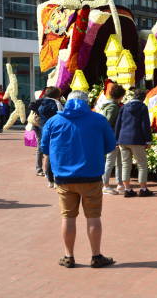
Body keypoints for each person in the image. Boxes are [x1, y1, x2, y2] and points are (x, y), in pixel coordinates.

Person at [40, 90, 116, 269]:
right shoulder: (98, 120)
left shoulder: (54, 121)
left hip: (64, 178)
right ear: (87, 102)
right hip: (91, 176)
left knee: (68, 218)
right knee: (94, 217)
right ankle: (96, 256)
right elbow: (110, 145)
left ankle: (69, 256)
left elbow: (45, 147)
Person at [115, 88, 153, 198]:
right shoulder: (142, 107)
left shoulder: (124, 107)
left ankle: (127, 189)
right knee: (141, 164)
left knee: (126, 164)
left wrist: (116, 139)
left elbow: (118, 123)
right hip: (137, 139)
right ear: (143, 98)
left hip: (123, 139)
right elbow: (145, 125)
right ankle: (143, 189)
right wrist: (148, 140)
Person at [100, 84, 126, 195]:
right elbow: (108, 123)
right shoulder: (113, 107)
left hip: (115, 138)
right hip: (113, 138)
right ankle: (105, 185)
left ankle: (120, 184)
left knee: (118, 161)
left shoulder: (109, 105)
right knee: (111, 162)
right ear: (120, 96)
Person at [37, 87, 63, 187]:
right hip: (56, 132)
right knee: (57, 155)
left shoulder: (41, 102)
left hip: (44, 131)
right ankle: (56, 179)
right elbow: (61, 116)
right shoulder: (56, 103)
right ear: (57, 95)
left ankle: (49, 180)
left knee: (47, 156)